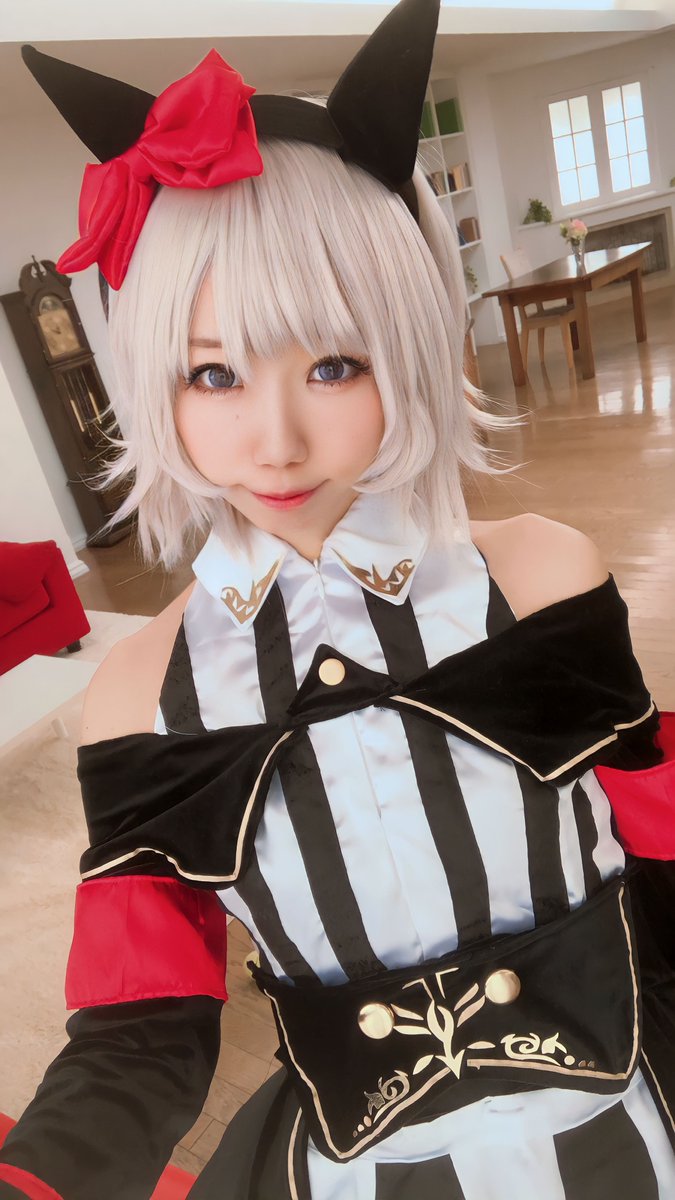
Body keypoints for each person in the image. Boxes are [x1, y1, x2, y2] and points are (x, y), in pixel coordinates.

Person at [2, 2, 675, 1197]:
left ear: (407, 347)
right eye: (213, 374)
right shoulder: (137, 695)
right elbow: (140, 1025)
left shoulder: (541, 577)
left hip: (623, 1127)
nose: (275, 437)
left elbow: (664, 853)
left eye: (332, 364)